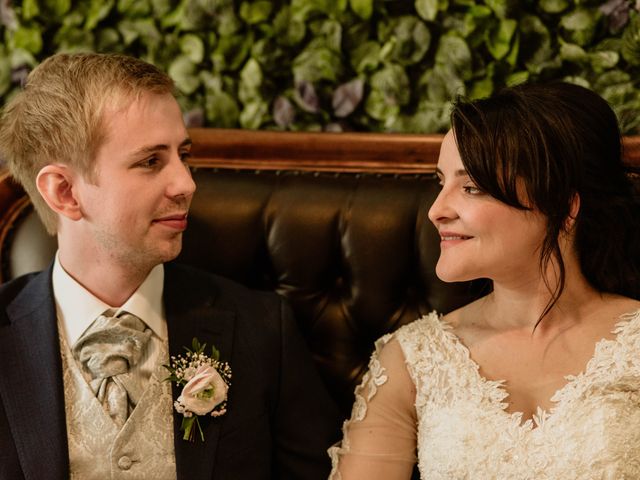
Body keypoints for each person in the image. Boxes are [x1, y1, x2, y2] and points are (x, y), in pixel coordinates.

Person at [0, 52, 339, 480]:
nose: (187, 184)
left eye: (183, 154)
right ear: (65, 191)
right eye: (150, 162)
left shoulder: (263, 329)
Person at [328, 82, 640, 479]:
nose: (436, 211)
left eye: (471, 187)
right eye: (441, 183)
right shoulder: (413, 360)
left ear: (562, 207)